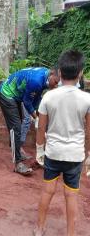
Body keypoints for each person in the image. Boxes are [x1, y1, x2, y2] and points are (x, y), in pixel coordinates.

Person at [34, 50, 89, 236]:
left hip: (53, 153)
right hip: (74, 155)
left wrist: (39, 150)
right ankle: (71, 234)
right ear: (80, 72)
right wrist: (88, 155)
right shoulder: (87, 99)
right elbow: (89, 132)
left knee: (48, 191)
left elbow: (41, 128)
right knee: (71, 195)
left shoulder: (48, 96)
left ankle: (39, 229)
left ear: (59, 72)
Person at [0, 67, 59, 175]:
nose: (56, 85)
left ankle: (17, 149)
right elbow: (27, 102)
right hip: (6, 93)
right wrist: (36, 118)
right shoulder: (37, 81)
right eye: (56, 82)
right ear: (52, 74)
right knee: (15, 127)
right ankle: (17, 163)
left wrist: (38, 114)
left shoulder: (45, 78)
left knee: (18, 124)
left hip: (16, 96)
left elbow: (36, 98)